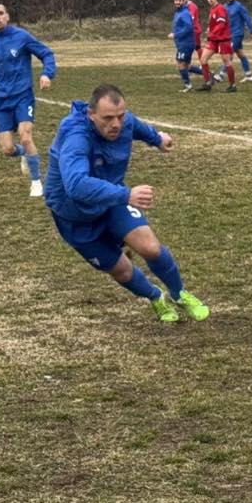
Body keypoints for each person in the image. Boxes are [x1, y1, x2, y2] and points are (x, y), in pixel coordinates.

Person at [45, 82, 210, 324]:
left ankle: (180, 294)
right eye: (108, 118)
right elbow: (76, 185)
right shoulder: (75, 135)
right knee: (121, 270)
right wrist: (126, 195)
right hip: (74, 215)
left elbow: (136, 126)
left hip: (112, 200)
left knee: (150, 247)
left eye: (120, 116)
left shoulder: (124, 122)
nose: (116, 124)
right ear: (91, 115)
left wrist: (157, 139)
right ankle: (156, 297)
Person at [0, 3, 56, 198]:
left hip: (22, 95)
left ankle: (36, 182)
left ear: (7, 16)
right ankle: (24, 154)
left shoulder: (21, 36)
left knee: (26, 137)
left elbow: (47, 54)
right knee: (8, 149)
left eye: (1, 13)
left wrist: (47, 74)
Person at [214, 0, 252, 83]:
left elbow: (247, 19)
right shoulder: (224, 7)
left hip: (237, 34)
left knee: (229, 53)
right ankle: (249, 75)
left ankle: (221, 75)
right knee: (240, 54)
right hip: (228, 35)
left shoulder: (239, 7)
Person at [198, 0, 237, 92]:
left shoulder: (220, 8)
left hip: (223, 40)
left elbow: (221, 24)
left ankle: (232, 86)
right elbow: (215, 24)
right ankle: (208, 83)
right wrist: (210, 30)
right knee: (203, 59)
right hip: (214, 40)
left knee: (227, 62)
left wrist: (211, 33)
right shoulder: (212, 9)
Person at [170, 0, 204, 91]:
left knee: (180, 64)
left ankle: (187, 85)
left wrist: (176, 35)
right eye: (176, 0)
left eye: (179, 0)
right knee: (187, 66)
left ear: (183, 1)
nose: (177, 2)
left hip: (186, 43)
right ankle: (209, 75)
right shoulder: (178, 12)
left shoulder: (185, 13)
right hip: (182, 43)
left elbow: (188, 28)